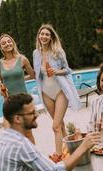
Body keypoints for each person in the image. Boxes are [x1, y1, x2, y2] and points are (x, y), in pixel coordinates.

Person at [0, 93, 101, 171]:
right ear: (17, 119)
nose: (36, 115)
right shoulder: (21, 145)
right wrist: (83, 147)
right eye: (31, 113)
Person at [33, 24, 82, 154]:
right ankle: (70, 151)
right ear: (38, 36)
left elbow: (68, 70)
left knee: (55, 126)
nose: (44, 36)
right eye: (42, 34)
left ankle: (59, 157)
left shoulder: (58, 51)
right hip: (45, 93)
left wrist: (56, 71)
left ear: (51, 37)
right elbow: (36, 73)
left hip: (60, 91)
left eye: (47, 34)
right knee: (60, 124)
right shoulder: (36, 54)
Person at [0, 33, 35, 143]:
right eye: (3, 43)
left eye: (9, 41)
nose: (7, 44)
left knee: (27, 133)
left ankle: (33, 158)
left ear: (13, 42)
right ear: (1, 47)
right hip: (8, 102)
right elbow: (0, 82)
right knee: (8, 133)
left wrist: (21, 79)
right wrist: (0, 88)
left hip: (23, 102)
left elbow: (33, 75)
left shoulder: (22, 59)